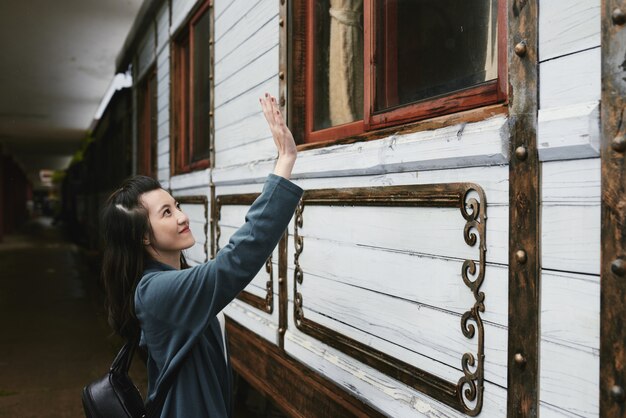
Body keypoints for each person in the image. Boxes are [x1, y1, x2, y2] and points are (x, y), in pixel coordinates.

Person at [100, 94, 303, 417]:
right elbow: (235, 261)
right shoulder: (155, 293)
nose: (181, 217)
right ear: (142, 235)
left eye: (176, 206)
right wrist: (284, 161)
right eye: (166, 213)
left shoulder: (166, 282)